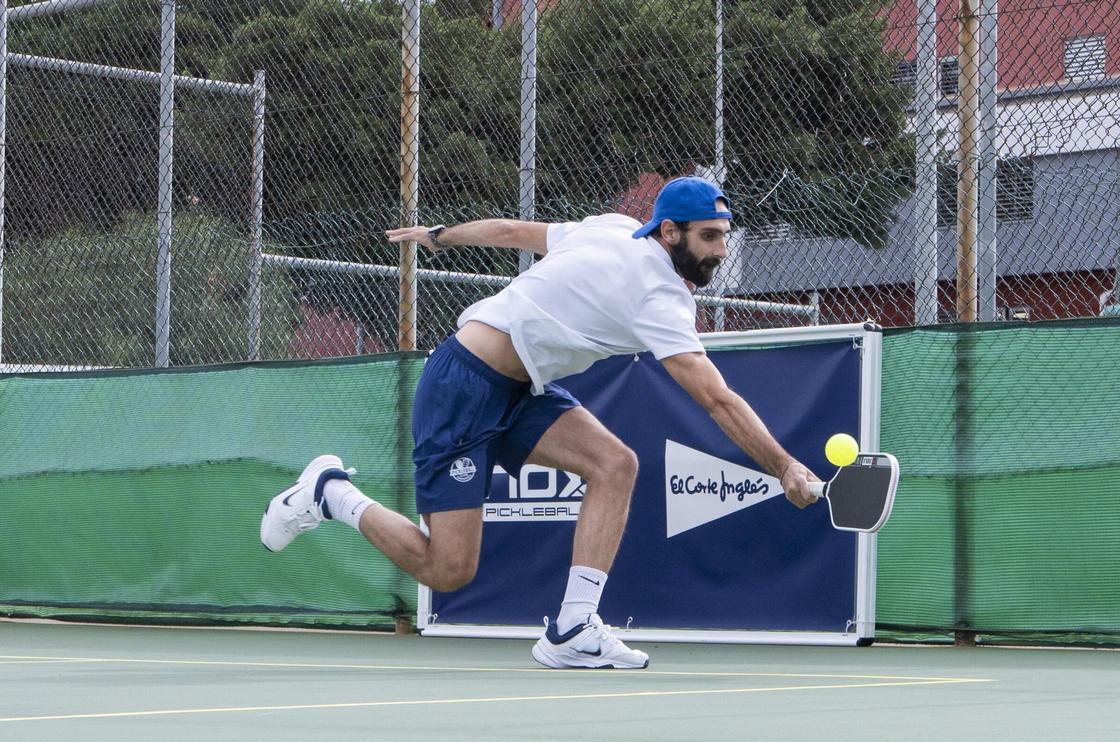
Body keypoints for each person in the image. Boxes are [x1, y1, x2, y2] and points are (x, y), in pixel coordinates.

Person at [260, 176, 820, 669]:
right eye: (710, 237)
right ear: (670, 232)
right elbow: (716, 400)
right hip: (461, 385)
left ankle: (573, 627)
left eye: (724, 235)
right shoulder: (658, 296)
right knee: (447, 570)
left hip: (520, 386)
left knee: (614, 464)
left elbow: (510, 232)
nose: (721, 250)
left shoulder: (613, 228)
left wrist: (439, 235)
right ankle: (331, 494)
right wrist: (785, 467)